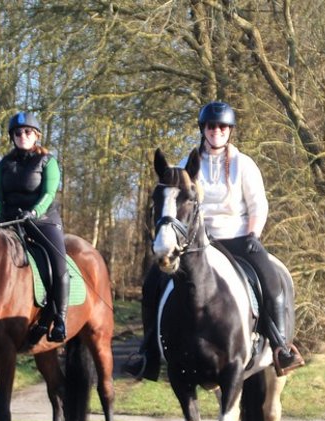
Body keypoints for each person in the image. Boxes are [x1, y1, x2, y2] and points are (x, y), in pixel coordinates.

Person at [126, 101, 304, 379]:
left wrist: (254, 234)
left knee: (271, 281)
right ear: (203, 129)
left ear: (229, 130)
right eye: (211, 126)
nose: (217, 131)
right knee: (152, 283)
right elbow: (178, 206)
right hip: (198, 242)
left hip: (238, 238)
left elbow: (258, 205)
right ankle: (147, 351)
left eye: (222, 126)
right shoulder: (189, 164)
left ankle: (282, 347)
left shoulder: (244, 165)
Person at [0, 111, 69, 342]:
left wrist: (34, 213)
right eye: (18, 132)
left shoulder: (48, 161)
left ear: (36, 135)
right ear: (13, 137)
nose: (23, 135)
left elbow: (49, 193)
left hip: (42, 221)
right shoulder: (4, 164)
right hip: (9, 222)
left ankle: (59, 319)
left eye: (28, 132)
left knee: (58, 263)